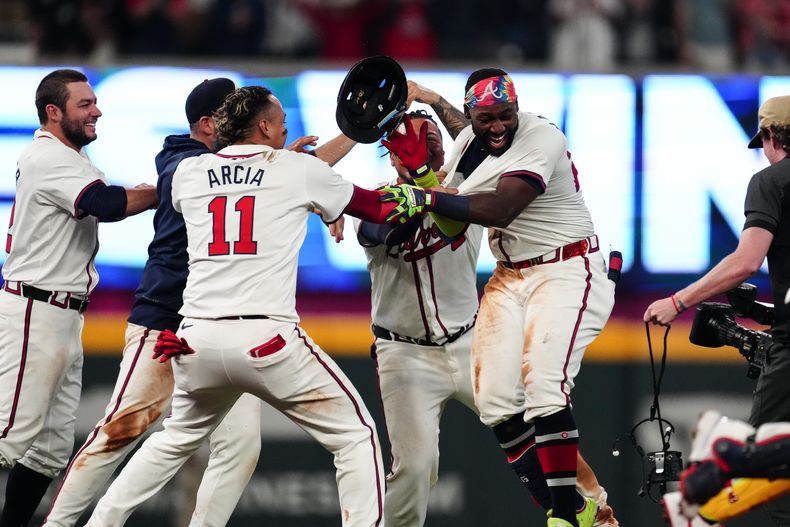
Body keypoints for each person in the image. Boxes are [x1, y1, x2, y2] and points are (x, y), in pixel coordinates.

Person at [82, 85, 416, 527]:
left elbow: (240, 190)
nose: (284, 127)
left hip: (195, 340)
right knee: (357, 437)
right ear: (262, 126)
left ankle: (99, 522)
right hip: (266, 340)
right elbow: (376, 208)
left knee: (171, 441)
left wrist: (294, 181)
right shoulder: (295, 169)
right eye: (278, 120)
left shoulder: (190, 172)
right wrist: (423, 193)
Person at [358, 109, 619, 527]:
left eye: (433, 144)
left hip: (467, 339)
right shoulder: (381, 197)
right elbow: (383, 228)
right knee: (414, 467)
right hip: (404, 353)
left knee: (534, 419)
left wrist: (430, 175)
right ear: (392, 156)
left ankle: (593, 513)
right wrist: (420, 183)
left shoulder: (470, 193)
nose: (427, 151)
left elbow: (492, 148)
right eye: (414, 146)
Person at [0, 68, 157, 527]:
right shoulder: (47, 156)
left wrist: (149, 192)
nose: (97, 110)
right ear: (54, 112)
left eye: (94, 102)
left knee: (48, 452)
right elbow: (107, 206)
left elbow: (106, 198)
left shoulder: (73, 159)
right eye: (84, 104)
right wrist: (161, 190)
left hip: (62, 312)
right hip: (35, 308)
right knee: (8, 436)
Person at [644, 94, 790, 526]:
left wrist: (678, 301)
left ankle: (707, 490)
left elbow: (746, 261)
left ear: (768, 136)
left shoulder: (771, 181)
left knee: (764, 464)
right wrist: (765, 312)